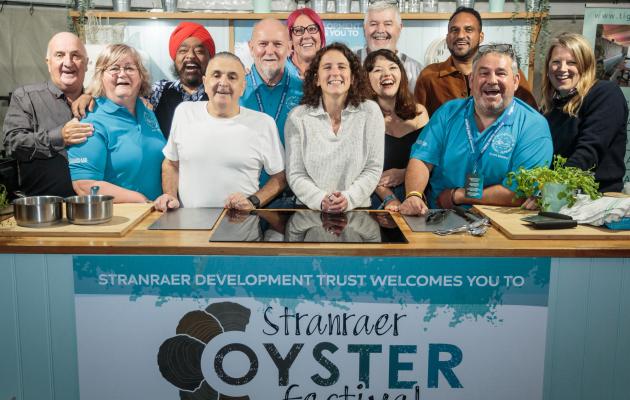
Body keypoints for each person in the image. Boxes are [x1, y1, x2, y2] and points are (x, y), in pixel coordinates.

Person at [399, 44, 553, 216]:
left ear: (515, 81)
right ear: (472, 80)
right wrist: (413, 195)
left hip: (499, 222)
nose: (492, 80)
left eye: (501, 73)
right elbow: (421, 159)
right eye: (484, 73)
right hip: (438, 217)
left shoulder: (533, 125)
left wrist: (459, 196)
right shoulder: (448, 112)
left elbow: (519, 192)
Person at [154, 52, 286, 212]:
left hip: (242, 228)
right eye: (216, 75)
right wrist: (171, 195)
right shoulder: (184, 112)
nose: (223, 83)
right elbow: (171, 163)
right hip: (189, 228)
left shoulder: (263, 124)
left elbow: (280, 177)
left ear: (243, 86)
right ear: (205, 82)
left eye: (232, 77)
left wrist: (254, 201)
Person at [72, 22, 216, 139]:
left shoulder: (219, 94)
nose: (190, 56)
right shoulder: (159, 90)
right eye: (183, 51)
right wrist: (89, 96)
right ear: (175, 58)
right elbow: (120, 96)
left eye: (199, 51)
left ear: (210, 57)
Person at [285, 43, 384, 213]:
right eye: (327, 67)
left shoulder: (371, 112)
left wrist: (348, 198)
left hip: (358, 212)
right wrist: (321, 200)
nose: (335, 73)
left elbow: (373, 168)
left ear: (352, 78)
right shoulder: (297, 117)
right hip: (309, 212)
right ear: (316, 79)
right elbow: (295, 173)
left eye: (342, 67)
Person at [67, 44, 166, 203]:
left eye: (130, 68)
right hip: (120, 221)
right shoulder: (90, 120)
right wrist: (141, 201)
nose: (122, 74)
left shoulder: (147, 112)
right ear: (101, 76)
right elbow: (84, 186)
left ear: (141, 76)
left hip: (157, 216)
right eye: (114, 68)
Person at [3, 32, 93, 197]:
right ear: (48, 63)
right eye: (60, 55)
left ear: (86, 64)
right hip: (45, 211)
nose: (68, 62)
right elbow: (12, 143)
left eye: (76, 56)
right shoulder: (26, 97)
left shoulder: (97, 103)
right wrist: (59, 137)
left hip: (95, 207)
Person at [541, 32, 628, 193]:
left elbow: (588, 151)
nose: (563, 69)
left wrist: (551, 189)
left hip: (596, 198)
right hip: (556, 197)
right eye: (556, 62)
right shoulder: (550, 107)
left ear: (586, 66)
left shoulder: (605, 94)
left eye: (572, 62)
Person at [414, 7, 537, 117]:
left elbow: (531, 119)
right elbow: (418, 125)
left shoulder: (507, 72)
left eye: (468, 29)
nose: (460, 35)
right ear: (447, 37)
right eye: (454, 30)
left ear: (481, 36)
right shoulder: (429, 76)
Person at [364, 48, 429, 212]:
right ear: (367, 80)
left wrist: (404, 173)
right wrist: (389, 198)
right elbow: (360, 169)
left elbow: (430, 159)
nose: (386, 74)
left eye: (392, 67)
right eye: (378, 70)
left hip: (416, 194)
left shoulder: (420, 112)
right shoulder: (362, 117)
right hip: (375, 198)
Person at [357, 1, 423, 93]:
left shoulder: (415, 70)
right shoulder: (348, 64)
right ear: (364, 28)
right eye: (373, 24)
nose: (380, 30)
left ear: (399, 28)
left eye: (387, 24)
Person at [286, 8, 326, 79]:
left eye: (312, 29)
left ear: (321, 35)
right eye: (298, 30)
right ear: (290, 38)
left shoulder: (330, 71)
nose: (306, 36)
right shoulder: (279, 72)